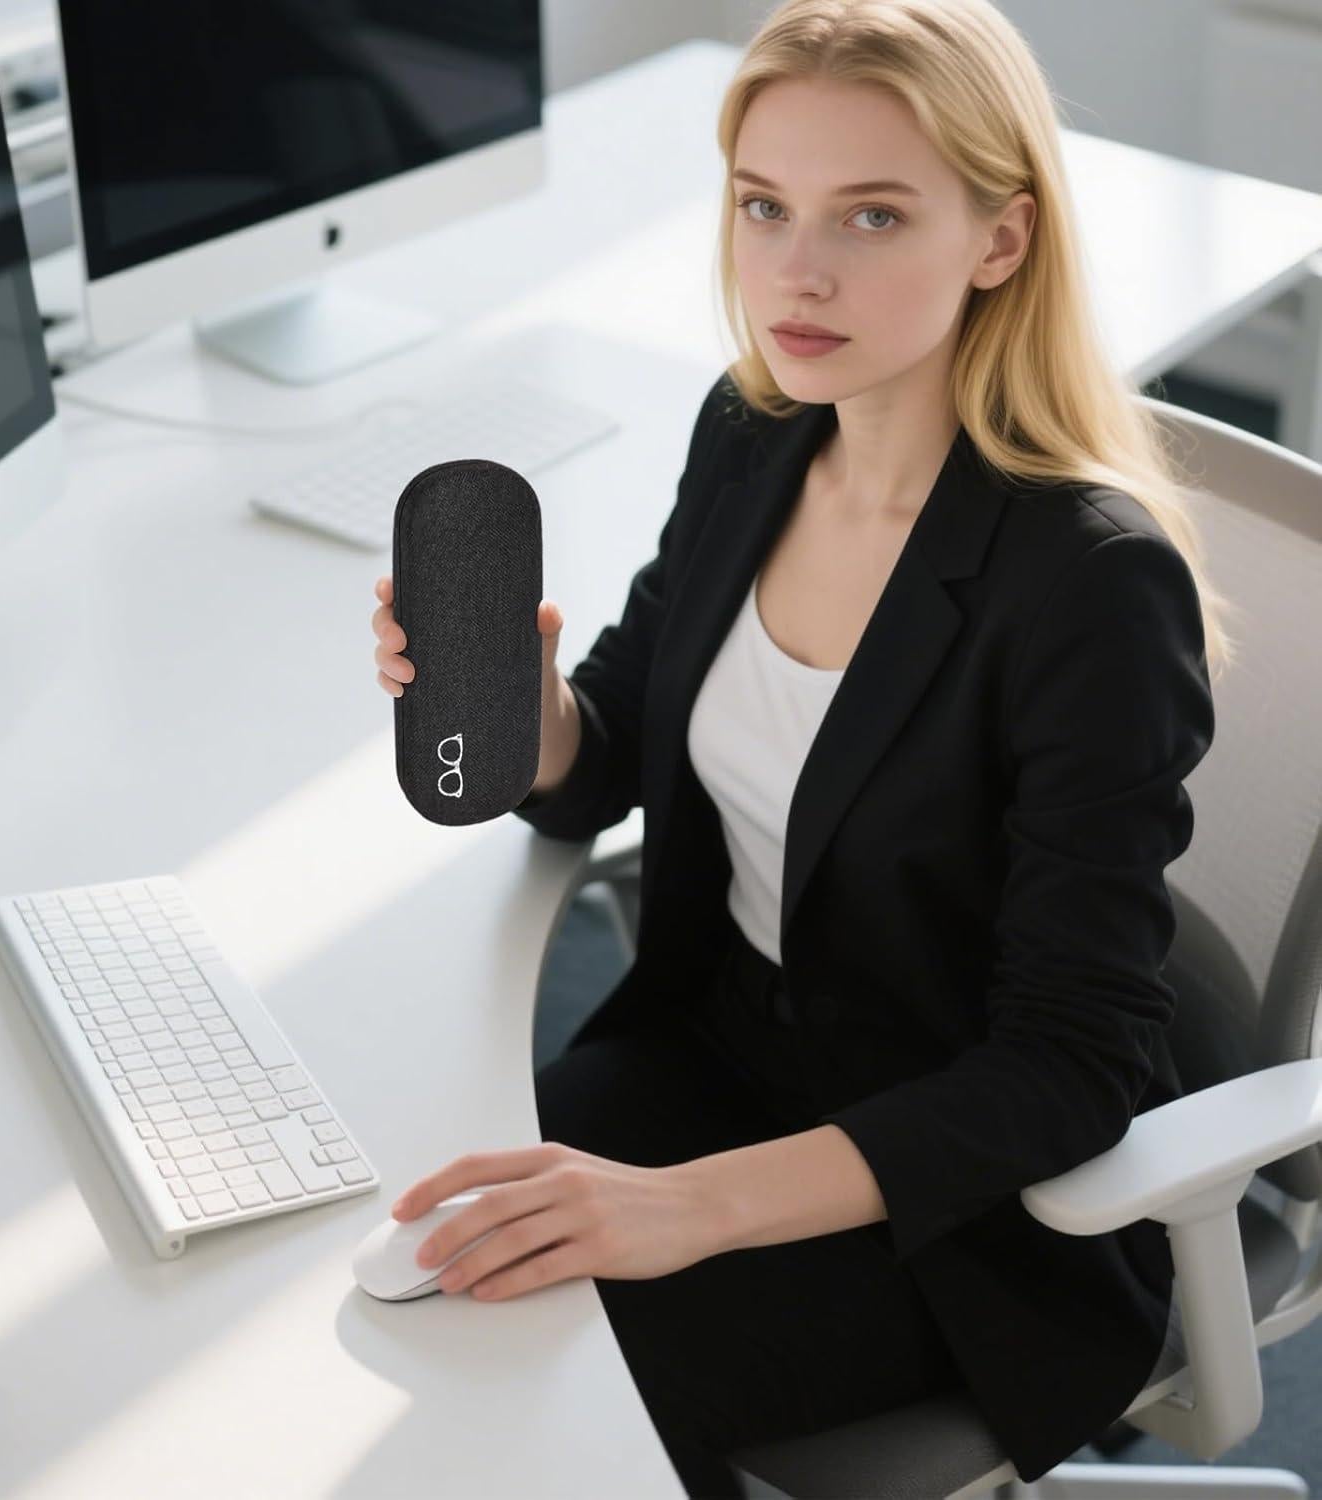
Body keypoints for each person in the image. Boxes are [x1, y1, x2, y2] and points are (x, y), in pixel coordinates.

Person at [370, 1, 1231, 1493]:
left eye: (873, 215)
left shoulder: (1089, 582)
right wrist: (529, 707)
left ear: (1000, 241)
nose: (797, 272)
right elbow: (619, 753)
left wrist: (686, 1211)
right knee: (397, 1256)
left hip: (960, 1213)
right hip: (713, 1057)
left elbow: (1067, 1070)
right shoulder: (759, 426)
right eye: (764, 206)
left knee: (523, 1424)